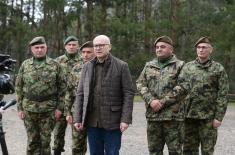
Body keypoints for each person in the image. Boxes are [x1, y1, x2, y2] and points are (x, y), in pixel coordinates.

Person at [153, 37, 229, 155]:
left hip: (208, 117)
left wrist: (219, 117)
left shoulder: (218, 69)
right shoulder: (187, 67)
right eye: (198, 47)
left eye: (204, 47)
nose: (201, 50)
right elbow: (179, 89)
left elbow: (223, 94)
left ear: (211, 50)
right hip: (188, 116)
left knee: (207, 150)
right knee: (188, 150)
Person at [73, 35, 135, 155]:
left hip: (113, 121)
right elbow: (80, 93)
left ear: (109, 47)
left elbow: (128, 93)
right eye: (96, 45)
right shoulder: (87, 66)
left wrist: (125, 119)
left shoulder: (121, 66)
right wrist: (77, 118)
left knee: (112, 152)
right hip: (92, 121)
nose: (98, 48)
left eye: (102, 45)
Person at [15, 36, 66, 155]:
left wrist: (59, 108)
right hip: (29, 109)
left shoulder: (55, 65)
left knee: (45, 141)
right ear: (32, 49)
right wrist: (19, 108)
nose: (39, 50)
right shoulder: (25, 65)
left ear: (46, 48)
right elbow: (18, 87)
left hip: (48, 109)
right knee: (32, 141)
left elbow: (62, 88)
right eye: (36, 47)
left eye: (42, 47)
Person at [136, 36, 185, 155]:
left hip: (173, 118)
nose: (159, 49)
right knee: (154, 151)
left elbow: (183, 87)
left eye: (162, 47)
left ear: (171, 49)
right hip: (153, 117)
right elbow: (140, 84)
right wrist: (151, 100)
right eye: (157, 47)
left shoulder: (180, 65)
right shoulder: (149, 66)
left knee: (175, 151)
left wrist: (162, 102)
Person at [65, 41, 95, 155]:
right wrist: (68, 112)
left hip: (95, 113)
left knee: (96, 145)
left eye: (89, 52)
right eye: (83, 52)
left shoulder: (99, 68)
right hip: (78, 112)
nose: (85, 55)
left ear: (95, 53)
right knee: (77, 146)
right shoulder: (76, 68)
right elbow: (69, 91)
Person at [53, 35, 82, 155]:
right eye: (69, 45)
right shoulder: (57, 62)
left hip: (76, 104)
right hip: (60, 103)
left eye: (74, 44)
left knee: (78, 136)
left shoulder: (83, 61)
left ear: (78, 46)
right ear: (65, 47)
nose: (71, 47)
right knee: (58, 134)